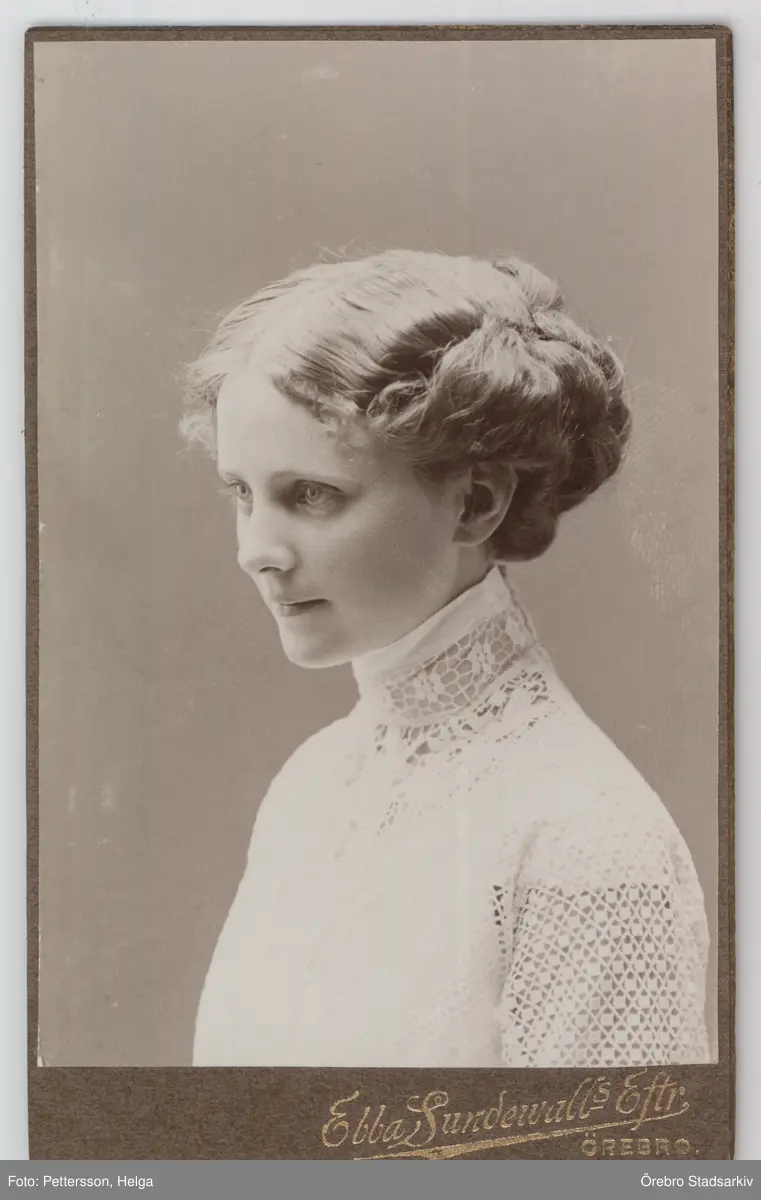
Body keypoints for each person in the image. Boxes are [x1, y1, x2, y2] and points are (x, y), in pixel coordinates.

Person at [182, 249, 710, 1068]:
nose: (256, 550)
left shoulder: (586, 839)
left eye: (311, 494)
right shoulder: (309, 786)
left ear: (475, 502)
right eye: (242, 493)